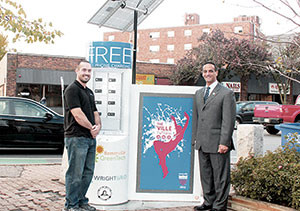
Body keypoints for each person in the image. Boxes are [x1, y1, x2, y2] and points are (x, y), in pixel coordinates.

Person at [194, 62, 236, 211]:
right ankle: (208, 202)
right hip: (202, 143)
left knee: (220, 177)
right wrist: (196, 139)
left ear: (216, 73)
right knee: (206, 175)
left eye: (210, 71)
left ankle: (219, 205)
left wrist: (224, 142)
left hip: (218, 143)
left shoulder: (226, 93)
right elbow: (197, 118)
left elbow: (228, 120)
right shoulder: (199, 93)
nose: (207, 74)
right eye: (205, 71)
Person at [63, 60, 101, 211]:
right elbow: (77, 114)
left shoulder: (89, 92)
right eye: (84, 70)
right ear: (77, 71)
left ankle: (81, 202)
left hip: (90, 138)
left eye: (89, 71)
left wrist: (98, 126)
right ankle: (71, 205)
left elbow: (95, 112)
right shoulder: (72, 90)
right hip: (76, 137)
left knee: (87, 173)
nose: (87, 73)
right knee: (75, 174)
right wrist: (92, 128)